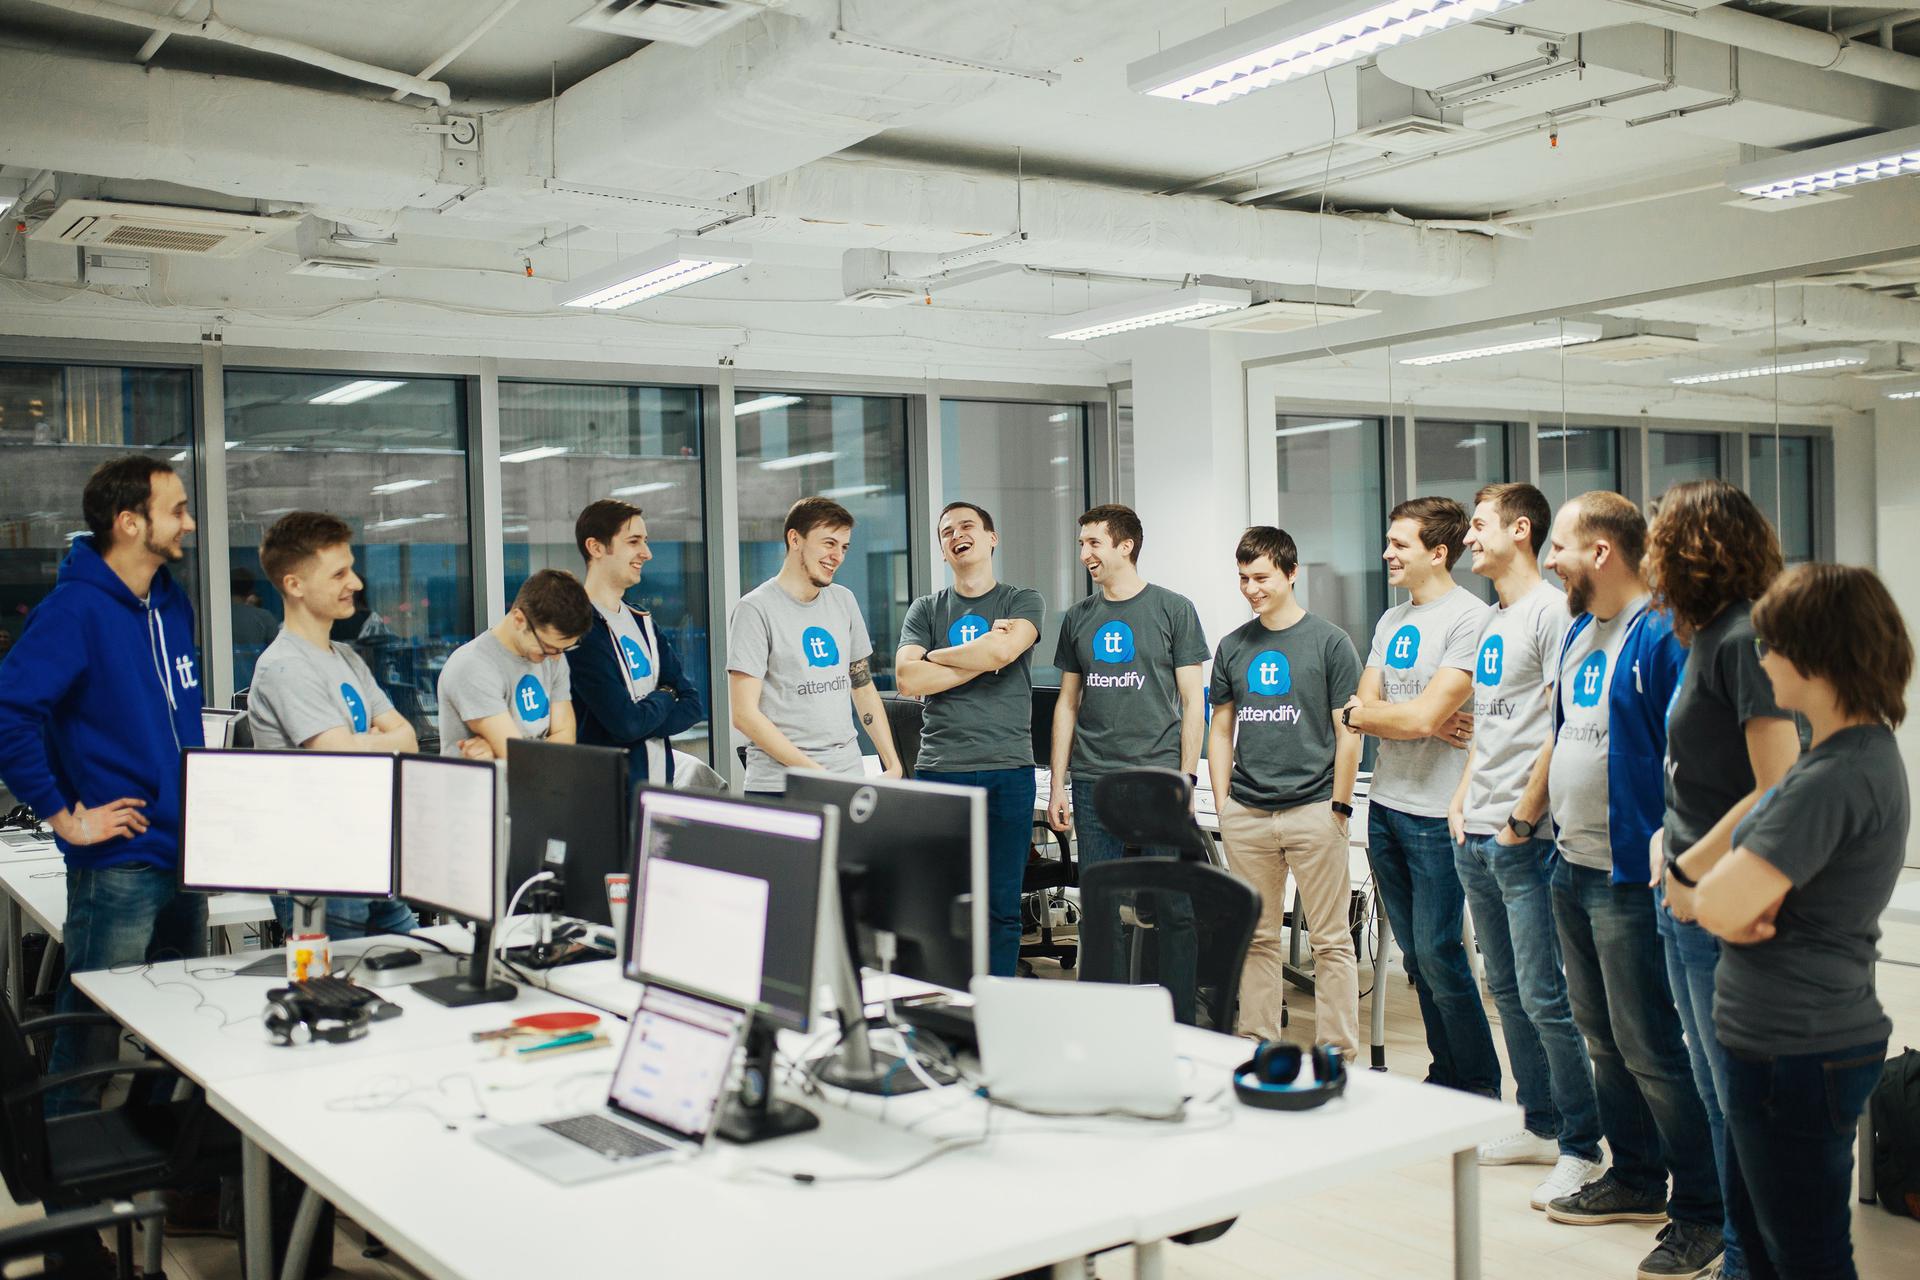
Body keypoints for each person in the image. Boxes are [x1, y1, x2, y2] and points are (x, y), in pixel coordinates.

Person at [1678, 564, 1909, 1280]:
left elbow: (1713, 903)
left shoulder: (1835, 777)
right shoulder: (1844, 756)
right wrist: (1725, 895)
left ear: (1815, 655)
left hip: (1798, 1050)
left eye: (1770, 645)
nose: (1763, 659)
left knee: (1804, 1256)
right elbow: (1727, 898)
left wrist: (1711, 895)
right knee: (1767, 1248)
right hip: (1787, 1043)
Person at [1538, 491, 1724, 1280]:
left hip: (1630, 875)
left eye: (1559, 546)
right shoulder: (1580, 630)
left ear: (1601, 552)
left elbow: (1692, 759)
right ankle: (1637, 1177)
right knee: (1602, 1038)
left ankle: (1704, 1212)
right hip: (1571, 863)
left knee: (1650, 1045)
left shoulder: (1662, 634)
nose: (1551, 561)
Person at [0, 456, 205, 1115]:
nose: (189, 523)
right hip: (119, 861)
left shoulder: (171, 603)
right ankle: (67, 1165)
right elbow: (9, 714)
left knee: (183, 1027)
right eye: (177, 510)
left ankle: (162, 1156)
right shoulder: (73, 611)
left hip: (187, 852)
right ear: (129, 522)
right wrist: (64, 816)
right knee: (90, 1037)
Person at [1644, 480, 1800, 1280]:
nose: (1648, 555)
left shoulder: (1745, 639)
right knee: (1716, 1098)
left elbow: (1779, 783)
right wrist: (1665, 841)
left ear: (1694, 547)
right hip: (1684, 893)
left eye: (1658, 538)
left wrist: (1690, 864)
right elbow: (1702, 769)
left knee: (1743, 1103)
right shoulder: (1705, 636)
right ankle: (1741, 1251)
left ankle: (1753, 1260)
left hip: (1718, 899)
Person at [1446, 483, 1604, 1207]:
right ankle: (1539, 1122)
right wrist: (1462, 801)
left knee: (1546, 998)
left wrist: (1520, 817)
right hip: (1476, 831)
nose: (1468, 538)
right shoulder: (1492, 620)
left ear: (1519, 530)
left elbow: (1558, 725)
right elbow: (1488, 727)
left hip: (1523, 838)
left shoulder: (1551, 612)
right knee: (1506, 991)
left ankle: (1582, 1146)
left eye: (1478, 525)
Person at [1338, 496, 1498, 1098]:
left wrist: (1404, 717)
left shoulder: (1470, 620)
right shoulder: (1391, 620)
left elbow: (1415, 715)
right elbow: (1363, 706)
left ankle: (1478, 1084)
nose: (1387, 553)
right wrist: (1401, 717)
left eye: (1399, 544)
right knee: (1414, 956)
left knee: (1438, 953)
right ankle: (1445, 1077)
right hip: (1387, 806)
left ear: (1438, 552)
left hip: (1438, 813)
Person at [1206, 525, 1361, 1057]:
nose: (1251, 589)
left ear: (1292, 573)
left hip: (1314, 809)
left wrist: (1340, 806)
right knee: (1257, 938)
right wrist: (1224, 804)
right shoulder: (1232, 646)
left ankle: (1337, 1053)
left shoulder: (1330, 642)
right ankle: (1258, 1044)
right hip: (1248, 813)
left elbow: (1349, 731)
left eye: (1262, 577)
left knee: (1331, 941)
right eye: (1243, 578)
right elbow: (1221, 729)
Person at [248, 511, 422, 939]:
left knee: (415, 957)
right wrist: (374, 741)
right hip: (318, 863)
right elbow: (339, 753)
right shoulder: (284, 666)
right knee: (336, 979)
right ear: (295, 585)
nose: (356, 583)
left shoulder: (345, 657)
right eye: (339, 574)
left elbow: (409, 740)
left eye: (352, 570)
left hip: (367, 849)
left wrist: (359, 743)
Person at [895, 501, 1044, 978]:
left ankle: (994, 1000)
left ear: (991, 538)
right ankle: (948, 1001)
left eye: (967, 526)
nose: (956, 535)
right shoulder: (925, 608)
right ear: (942, 550)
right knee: (941, 902)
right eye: (946, 532)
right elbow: (907, 679)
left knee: (1001, 905)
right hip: (941, 769)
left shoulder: (1022, 601)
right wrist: (982, 655)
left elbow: (1003, 651)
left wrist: (936, 657)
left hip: (1008, 768)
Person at [1047, 503, 1207, 863]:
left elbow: (1193, 702)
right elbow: (1067, 704)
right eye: (1081, 544)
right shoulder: (1077, 617)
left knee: (1167, 890)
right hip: (1092, 780)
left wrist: (1187, 778)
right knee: (1098, 890)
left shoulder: (1174, 609)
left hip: (1159, 777)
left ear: (1125, 546)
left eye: (1094, 543)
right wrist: (1058, 784)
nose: (1084, 555)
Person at [728, 497, 902, 796]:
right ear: (795, 539)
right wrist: (818, 775)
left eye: (844, 547)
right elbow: (744, 714)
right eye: (829, 543)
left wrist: (893, 764)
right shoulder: (755, 609)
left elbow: (862, 686)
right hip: (781, 786)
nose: (838, 556)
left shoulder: (844, 600)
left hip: (847, 778)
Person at [568, 499, 707, 792]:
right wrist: (666, 695)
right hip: (605, 798)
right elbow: (625, 724)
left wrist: (639, 722)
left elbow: (693, 704)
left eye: (645, 541)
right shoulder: (579, 628)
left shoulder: (642, 621)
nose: (647, 553)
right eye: (633, 541)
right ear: (595, 547)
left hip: (657, 793)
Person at [436, 569, 591, 759]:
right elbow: (519, 759)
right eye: (548, 648)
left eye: (563, 649)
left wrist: (499, 751)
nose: (557, 658)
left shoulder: (553, 653)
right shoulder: (473, 666)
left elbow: (566, 737)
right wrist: (518, 751)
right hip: (488, 780)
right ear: (519, 620)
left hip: (538, 777)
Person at [229, 564, 279, 689]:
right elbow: (279, 656)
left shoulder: (215, 619)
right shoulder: (264, 618)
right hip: (256, 689)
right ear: (250, 591)